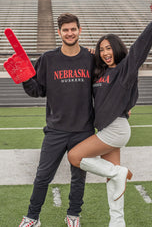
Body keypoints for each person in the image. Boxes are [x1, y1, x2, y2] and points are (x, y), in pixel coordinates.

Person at [68, 9, 152, 227]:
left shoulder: (125, 69)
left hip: (116, 130)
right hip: (106, 130)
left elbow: (140, 48)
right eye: (101, 49)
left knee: (74, 157)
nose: (105, 52)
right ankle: (117, 223)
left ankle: (120, 172)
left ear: (117, 48)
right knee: (112, 181)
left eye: (109, 47)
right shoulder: (100, 73)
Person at [18, 13, 95, 227]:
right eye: (65, 30)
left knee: (78, 178)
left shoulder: (90, 58)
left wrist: (123, 108)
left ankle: (73, 215)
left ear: (79, 30)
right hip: (55, 130)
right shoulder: (48, 59)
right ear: (59, 32)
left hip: (83, 130)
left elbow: (105, 87)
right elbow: (37, 90)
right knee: (42, 177)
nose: (69, 33)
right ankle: (32, 217)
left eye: (73, 29)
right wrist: (24, 77)